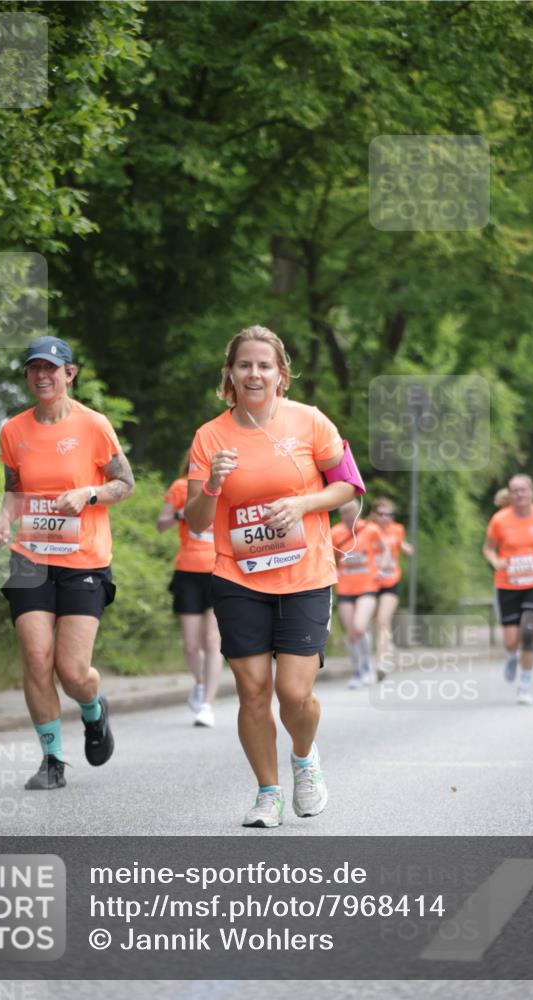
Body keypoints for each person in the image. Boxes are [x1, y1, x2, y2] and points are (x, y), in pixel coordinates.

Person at [184, 325, 364, 828]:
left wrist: (302, 503)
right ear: (231, 373)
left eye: (265, 365)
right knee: (254, 690)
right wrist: (213, 485)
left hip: (306, 574)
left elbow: (349, 488)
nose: (255, 373)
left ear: (281, 374)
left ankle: (305, 759)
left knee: (294, 693)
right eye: (245, 364)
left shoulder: (310, 422)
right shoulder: (210, 436)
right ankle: (268, 793)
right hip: (237, 577)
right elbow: (197, 521)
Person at [0, 336, 135, 788]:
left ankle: (93, 710)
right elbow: (15, 489)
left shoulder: (93, 425)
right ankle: (52, 760)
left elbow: (125, 483)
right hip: (30, 554)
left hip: (83, 559)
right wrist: (2, 521)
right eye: (34, 368)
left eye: (52, 368)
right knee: (35, 657)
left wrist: (89, 493)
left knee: (72, 672)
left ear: (69, 374)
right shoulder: (13, 430)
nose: (42, 376)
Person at [482, 474, 533, 705]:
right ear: (510, 494)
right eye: (515, 491)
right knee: (511, 640)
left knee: (528, 633)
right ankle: (511, 656)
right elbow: (488, 548)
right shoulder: (499, 520)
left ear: (531, 493)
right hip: (507, 584)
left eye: (523, 490)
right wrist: (496, 561)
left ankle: (524, 685)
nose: (519, 494)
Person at [157, 450, 222, 727]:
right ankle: (199, 682)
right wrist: (180, 514)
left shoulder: (225, 488)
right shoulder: (181, 487)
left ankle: (207, 704)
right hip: (188, 572)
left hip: (219, 571)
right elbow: (161, 524)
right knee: (192, 644)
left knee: (212, 640)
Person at [331, 500, 388, 687]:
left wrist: (382, 567)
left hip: (368, 587)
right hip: (345, 588)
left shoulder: (370, 530)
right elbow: (327, 556)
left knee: (360, 627)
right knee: (351, 634)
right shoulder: (336, 533)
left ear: (357, 514)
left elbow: (385, 550)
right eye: (346, 520)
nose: (349, 523)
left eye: (352, 519)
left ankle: (368, 667)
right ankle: (357, 671)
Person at [370, 497, 413, 679]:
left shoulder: (397, 529)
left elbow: (401, 543)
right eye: (381, 514)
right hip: (370, 582)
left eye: (389, 514)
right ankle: (387, 645)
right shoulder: (366, 529)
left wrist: (406, 548)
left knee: (382, 619)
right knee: (374, 622)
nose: (386, 518)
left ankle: (381, 661)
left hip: (390, 581)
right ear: (373, 515)